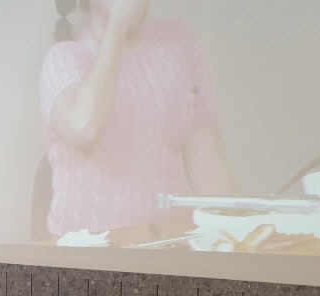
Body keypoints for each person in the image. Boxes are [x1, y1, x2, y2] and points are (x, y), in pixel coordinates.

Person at [40, 0, 236, 241]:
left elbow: (208, 165)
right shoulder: (63, 56)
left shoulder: (178, 40)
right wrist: (117, 29)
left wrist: (236, 234)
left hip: (171, 241)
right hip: (89, 247)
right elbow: (82, 128)